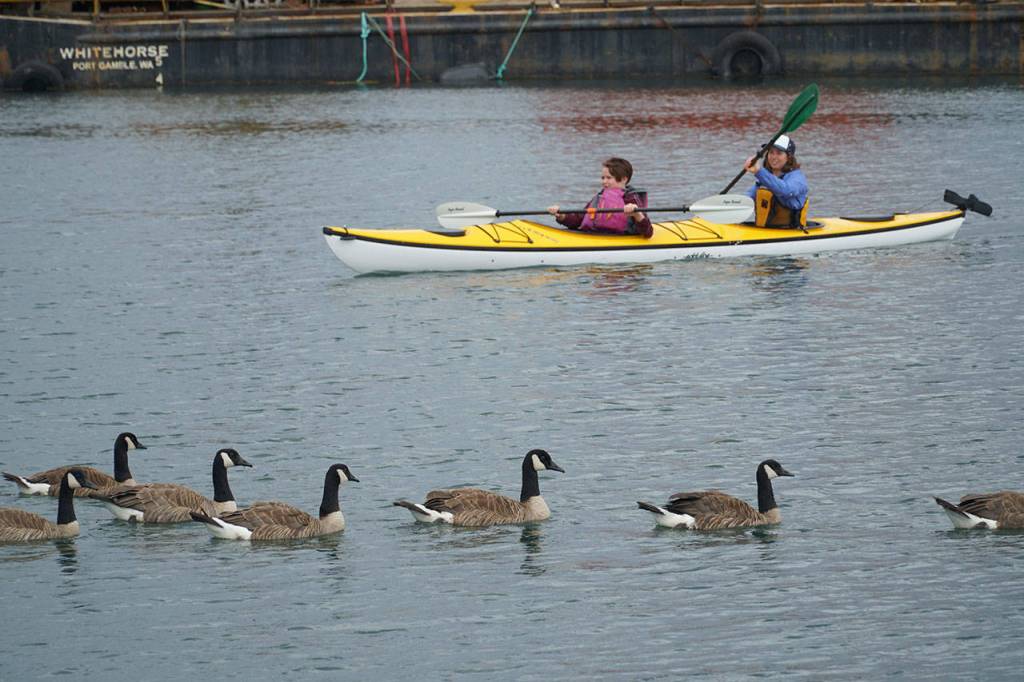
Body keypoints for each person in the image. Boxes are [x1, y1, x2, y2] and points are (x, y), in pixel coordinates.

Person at [547, 158, 653, 238]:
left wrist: (637, 214)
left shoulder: (631, 198)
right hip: (595, 235)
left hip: (620, 237)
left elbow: (648, 232)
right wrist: (561, 216)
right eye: (603, 178)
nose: (604, 181)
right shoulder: (600, 197)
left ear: (624, 179)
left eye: (609, 178)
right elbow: (579, 219)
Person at [744, 134, 809, 228]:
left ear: (789, 157)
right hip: (764, 231)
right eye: (771, 152)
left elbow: (785, 190)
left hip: (791, 232)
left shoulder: (798, 178)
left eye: (779, 153)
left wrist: (759, 171)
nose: (774, 157)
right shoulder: (764, 180)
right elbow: (747, 200)